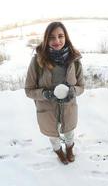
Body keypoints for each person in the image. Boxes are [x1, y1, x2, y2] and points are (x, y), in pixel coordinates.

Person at [25, 21, 85, 165]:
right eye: (51, 37)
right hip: (47, 111)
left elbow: (81, 86)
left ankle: (69, 148)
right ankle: (58, 151)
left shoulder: (74, 61)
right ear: (46, 39)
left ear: (66, 37)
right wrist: (46, 94)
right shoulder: (37, 62)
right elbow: (29, 90)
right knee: (53, 135)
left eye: (60, 36)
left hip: (68, 108)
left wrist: (72, 91)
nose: (56, 41)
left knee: (69, 132)